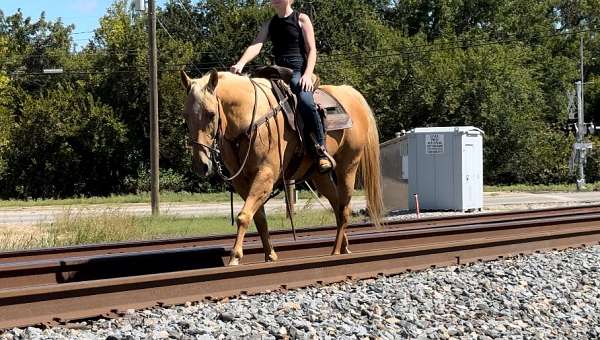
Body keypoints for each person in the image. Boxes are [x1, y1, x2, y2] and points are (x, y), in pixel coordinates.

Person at [230, 0, 333, 173]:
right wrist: (241, 63)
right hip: (277, 72)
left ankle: (321, 149)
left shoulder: (301, 18)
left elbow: (312, 50)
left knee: (305, 101)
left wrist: (307, 74)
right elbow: (257, 45)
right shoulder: (270, 23)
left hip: (298, 72)